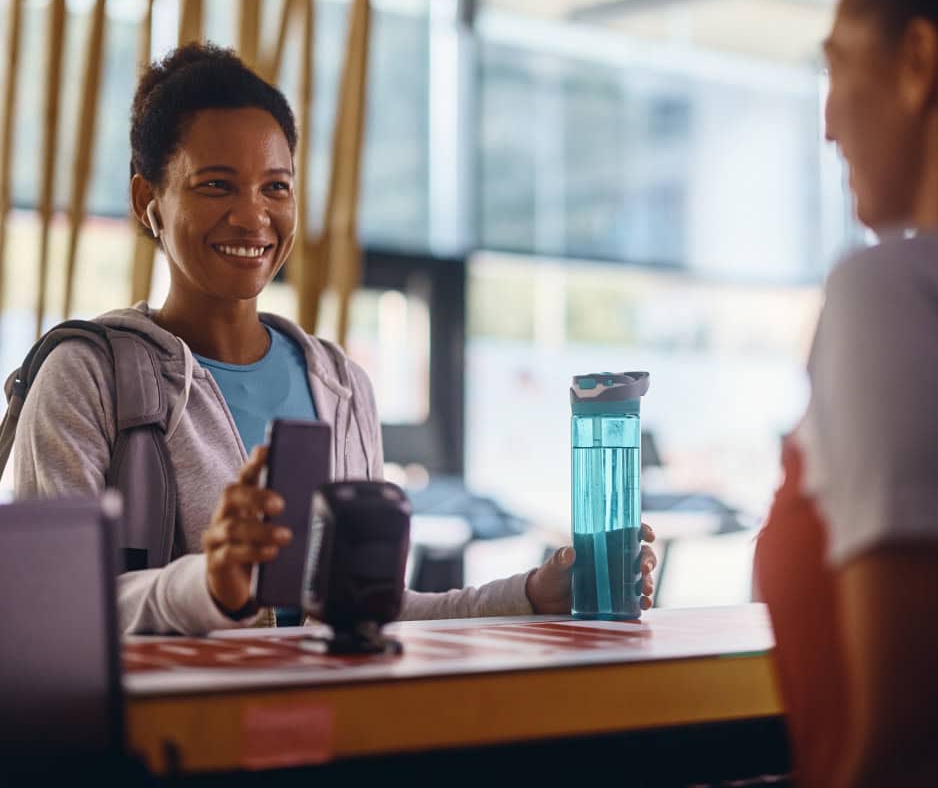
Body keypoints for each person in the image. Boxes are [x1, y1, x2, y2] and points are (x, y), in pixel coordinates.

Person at [13, 43, 657, 635]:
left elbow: (373, 605)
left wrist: (532, 594)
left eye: (276, 187)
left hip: (329, 736)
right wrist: (211, 586)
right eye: (215, 185)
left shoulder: (340, 384)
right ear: (146, 200)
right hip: (174, 750)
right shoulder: (87, 376)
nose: (252, 215)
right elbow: (54, 607)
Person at [754, 0, 938, 787]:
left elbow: (909, 743)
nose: (828, 122)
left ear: (918, 62)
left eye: (836, 70)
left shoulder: (894, 294)